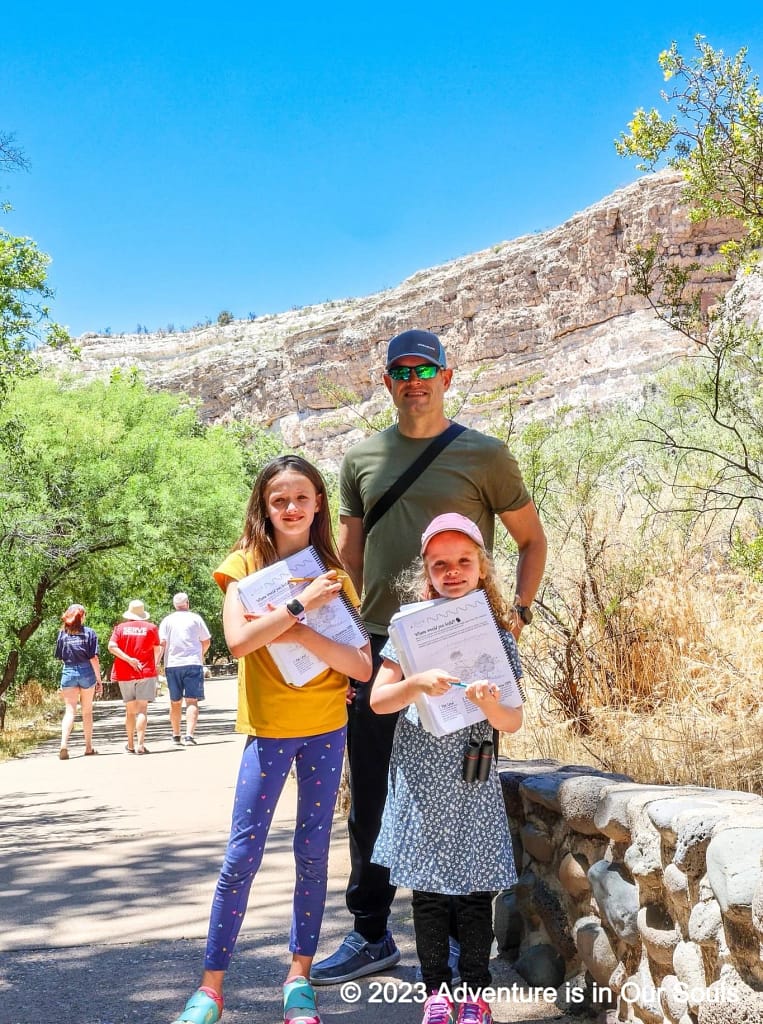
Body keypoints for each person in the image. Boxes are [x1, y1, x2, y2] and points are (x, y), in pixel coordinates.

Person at [311, 329, 546, 985]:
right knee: (372, 798)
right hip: (385, 644)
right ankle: (369, 934)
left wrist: (516, 617)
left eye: (425, 368)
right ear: (386, 382)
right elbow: (352, 558)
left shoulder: (485, 455)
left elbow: (531, 541)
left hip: (466, 649)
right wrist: (347, 642)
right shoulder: (361, 458)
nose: (413, 379)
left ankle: (445, 945)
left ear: (446, 376)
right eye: (400, 371)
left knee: (457, 794)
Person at [172, 454, 372, 1024]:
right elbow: (238, 641)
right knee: (242, 856)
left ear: (317, 505)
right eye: (278, 499)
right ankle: (211, 988)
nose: (290, 508)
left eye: (301, 498)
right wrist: (298, 605)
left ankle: (298, 981)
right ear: (264, 505)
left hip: (326, 729)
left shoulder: (335, 576)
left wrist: (305, 625)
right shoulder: (242, 567)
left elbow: (359, 665)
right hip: (269, 732)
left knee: (313, 856)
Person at [370, 513, 524, 1024]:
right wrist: (416, 684)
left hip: (471, 779)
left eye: (463, 562)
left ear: (483, 568)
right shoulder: (406, 630)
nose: (452, 572)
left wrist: (488, 703)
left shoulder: (498, 635)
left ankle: (475, 994)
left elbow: (514, 720)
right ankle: (437, 993)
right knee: (430, 894)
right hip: (421, 780)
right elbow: (378, 701)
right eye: (440, 565)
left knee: (476, 893)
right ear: (426, 572)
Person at [108, 600, 161, 755]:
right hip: (145, 672)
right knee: (143, 709)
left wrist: (128, 659)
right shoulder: (151, 628)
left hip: (125, 673)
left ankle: (130, 744)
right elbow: (157, 649)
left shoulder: (120, 628)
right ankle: (140, 744)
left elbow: (112, 647)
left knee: (130, 711)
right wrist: (155, 664)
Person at [158, 592, 212, 747]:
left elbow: (162, 643)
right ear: (187, 603)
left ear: (174, 605)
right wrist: (200, 654)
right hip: (193, 663)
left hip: (173, 664)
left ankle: (176, 735)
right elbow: (206, 640)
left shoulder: (167, 621)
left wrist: (157, 663)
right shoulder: (195, 618)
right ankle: (189, 735)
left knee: (175, 701)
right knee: (192, 700)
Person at [55, 603, 103, 759]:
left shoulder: (62, 634)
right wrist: (99, 680)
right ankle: (88, 747)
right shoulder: (89, 633)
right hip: (86, 672)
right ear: (81, 617)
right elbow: (93, 658)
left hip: (68, 671)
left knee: (70, 711)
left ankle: (63, 744)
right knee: (87, 711)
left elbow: (61, 657)